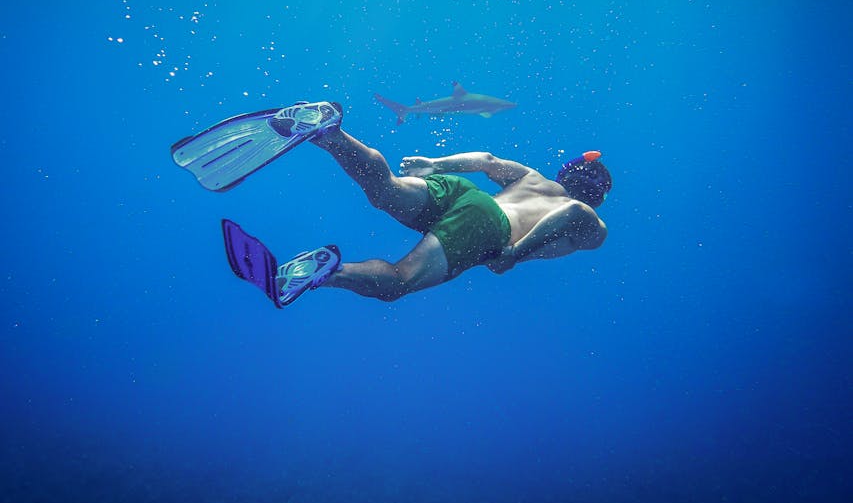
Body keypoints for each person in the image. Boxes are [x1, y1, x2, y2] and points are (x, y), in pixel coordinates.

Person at [173, 100, 611, 307]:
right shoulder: (591, 223)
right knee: (399, 281)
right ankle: (325, 273)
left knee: (382, 191)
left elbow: (487, 160)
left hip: (466, 194)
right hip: (488, 227)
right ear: (598, 195)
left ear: (566, 174)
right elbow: (573, 213)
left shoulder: (534, 178)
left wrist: (434, 162)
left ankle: (328, 133)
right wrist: (518, 251)